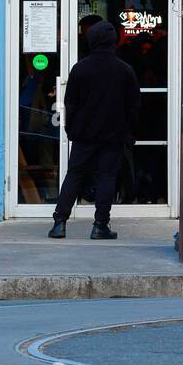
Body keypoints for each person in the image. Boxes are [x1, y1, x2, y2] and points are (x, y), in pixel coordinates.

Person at [47, 20, 139, 240]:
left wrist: (71, 130)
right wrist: (128, 132)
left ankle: (59, 223)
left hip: (83, 135)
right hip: (113, 135)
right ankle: (100, 225)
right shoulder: (124, 70)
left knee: (74, 175)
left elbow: (70, 105)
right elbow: (134, 106)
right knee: (106, 178)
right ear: (113, 41)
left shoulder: (80, 68)